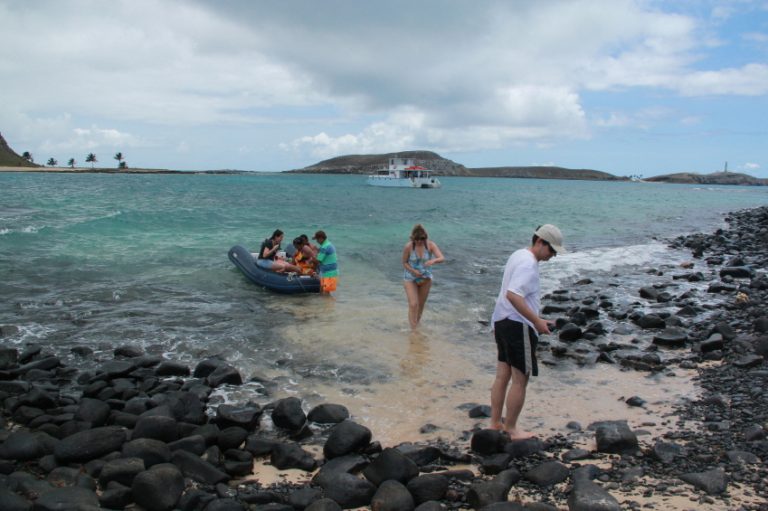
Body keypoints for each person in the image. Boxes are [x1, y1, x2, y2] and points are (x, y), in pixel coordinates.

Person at [490, 224, 565, 440]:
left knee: (502, 376)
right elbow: (514, 295)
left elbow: (508, 292)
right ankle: (511, 428)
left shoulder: (518, 254)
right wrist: (537, 321)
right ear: (540, 242)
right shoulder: (529, 265)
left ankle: (495, 423)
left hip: (502, 321)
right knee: (520, 379)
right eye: (552, 250)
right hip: (518, 325)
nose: (553, 256)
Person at [402, 224, 445, 329]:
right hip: (410, 278)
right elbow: (404, 262)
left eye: (422, 239)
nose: (419, 242)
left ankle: (416, 325)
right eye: (416, 239)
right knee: (413, 304)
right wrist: (413, 271)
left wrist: (433, 260)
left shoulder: (430, 245)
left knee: (420, 305)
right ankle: (413, 330)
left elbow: (442, 258)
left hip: (426, 278)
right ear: (413, 238)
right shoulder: (408, 247)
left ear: (425, 237)